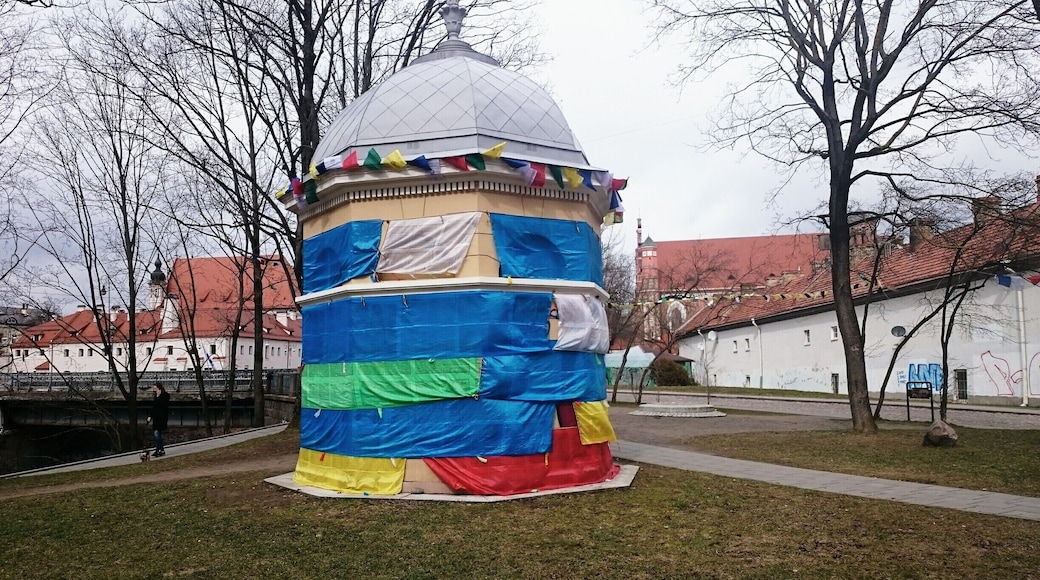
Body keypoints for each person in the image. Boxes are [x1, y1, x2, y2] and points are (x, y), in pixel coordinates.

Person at [146, 382, 171, 457]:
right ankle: (160, 449)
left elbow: (163, 404)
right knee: (157, 433)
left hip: (162, 417)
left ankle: (159, 450)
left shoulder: (165, 395)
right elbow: (154, 407)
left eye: (155, 388)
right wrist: (150, 416)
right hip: (156, 418)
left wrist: (158, 397)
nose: (154, 389)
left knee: (156, 433)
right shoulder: (156, 396)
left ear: (159, 388)